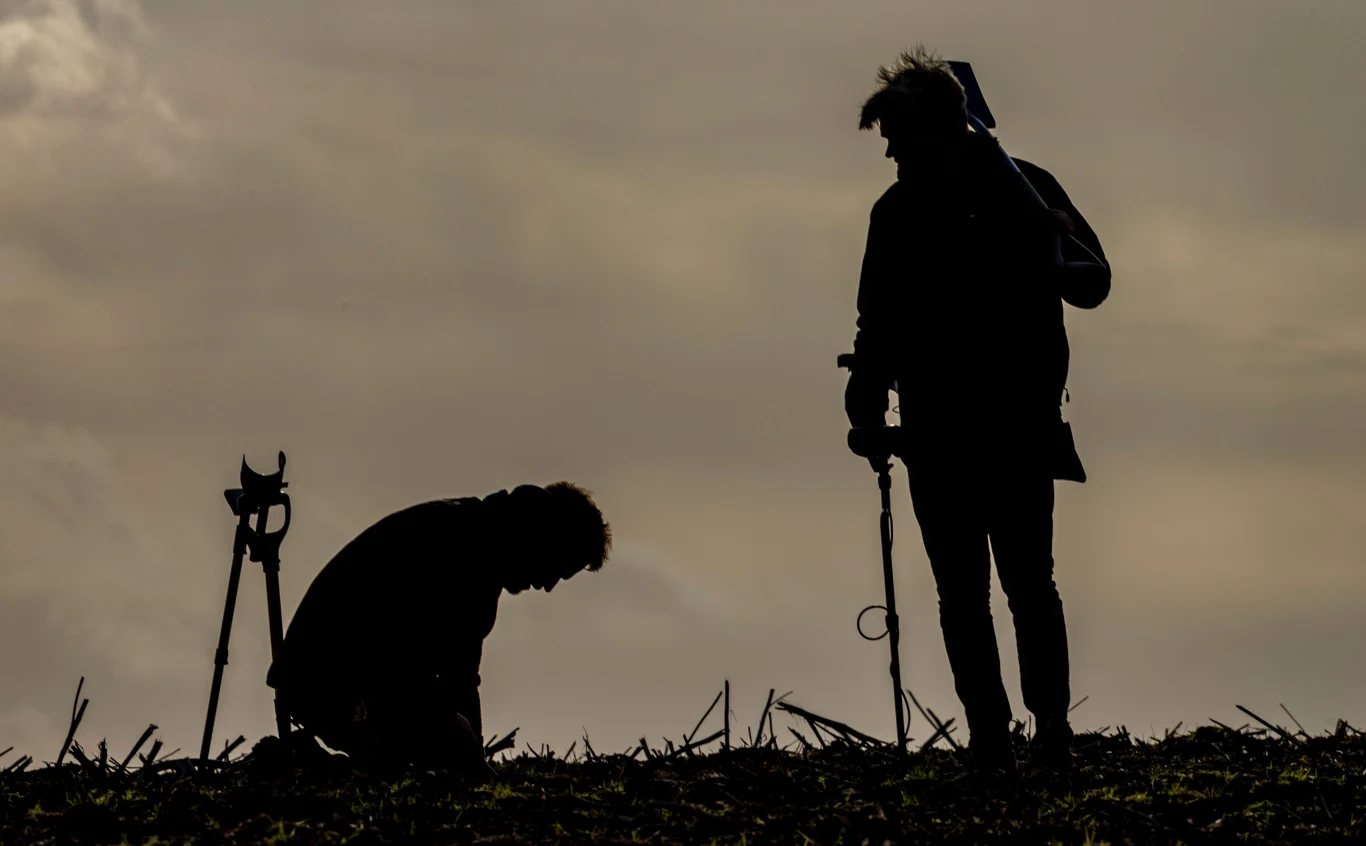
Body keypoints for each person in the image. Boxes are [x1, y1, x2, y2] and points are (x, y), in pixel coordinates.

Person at [843, 48, 1110, 773]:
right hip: (935, 433)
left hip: (1018, 426)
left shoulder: (1028, 190)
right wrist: (865, 399)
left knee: (1027, 584)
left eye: (899, 138)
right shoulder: (895, 214)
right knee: (962, 594)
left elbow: (1093, 281)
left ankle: (1050, 731)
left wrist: (1049, 235)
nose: (892, 154)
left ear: (939, 130)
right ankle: (991, 735)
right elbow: (876, 324)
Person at [264, 481, 611, 774]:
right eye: (558, 567)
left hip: (329, 676)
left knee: (438, 745)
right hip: (326, 675)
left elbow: (460, 680)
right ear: (546, 538)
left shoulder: (475, 536)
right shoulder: (465, 550)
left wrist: (468, 753)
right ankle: (339, 761)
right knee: (433, 745)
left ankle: (343, 760)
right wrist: (461, 752)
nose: (549, 585)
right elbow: (397, 658)